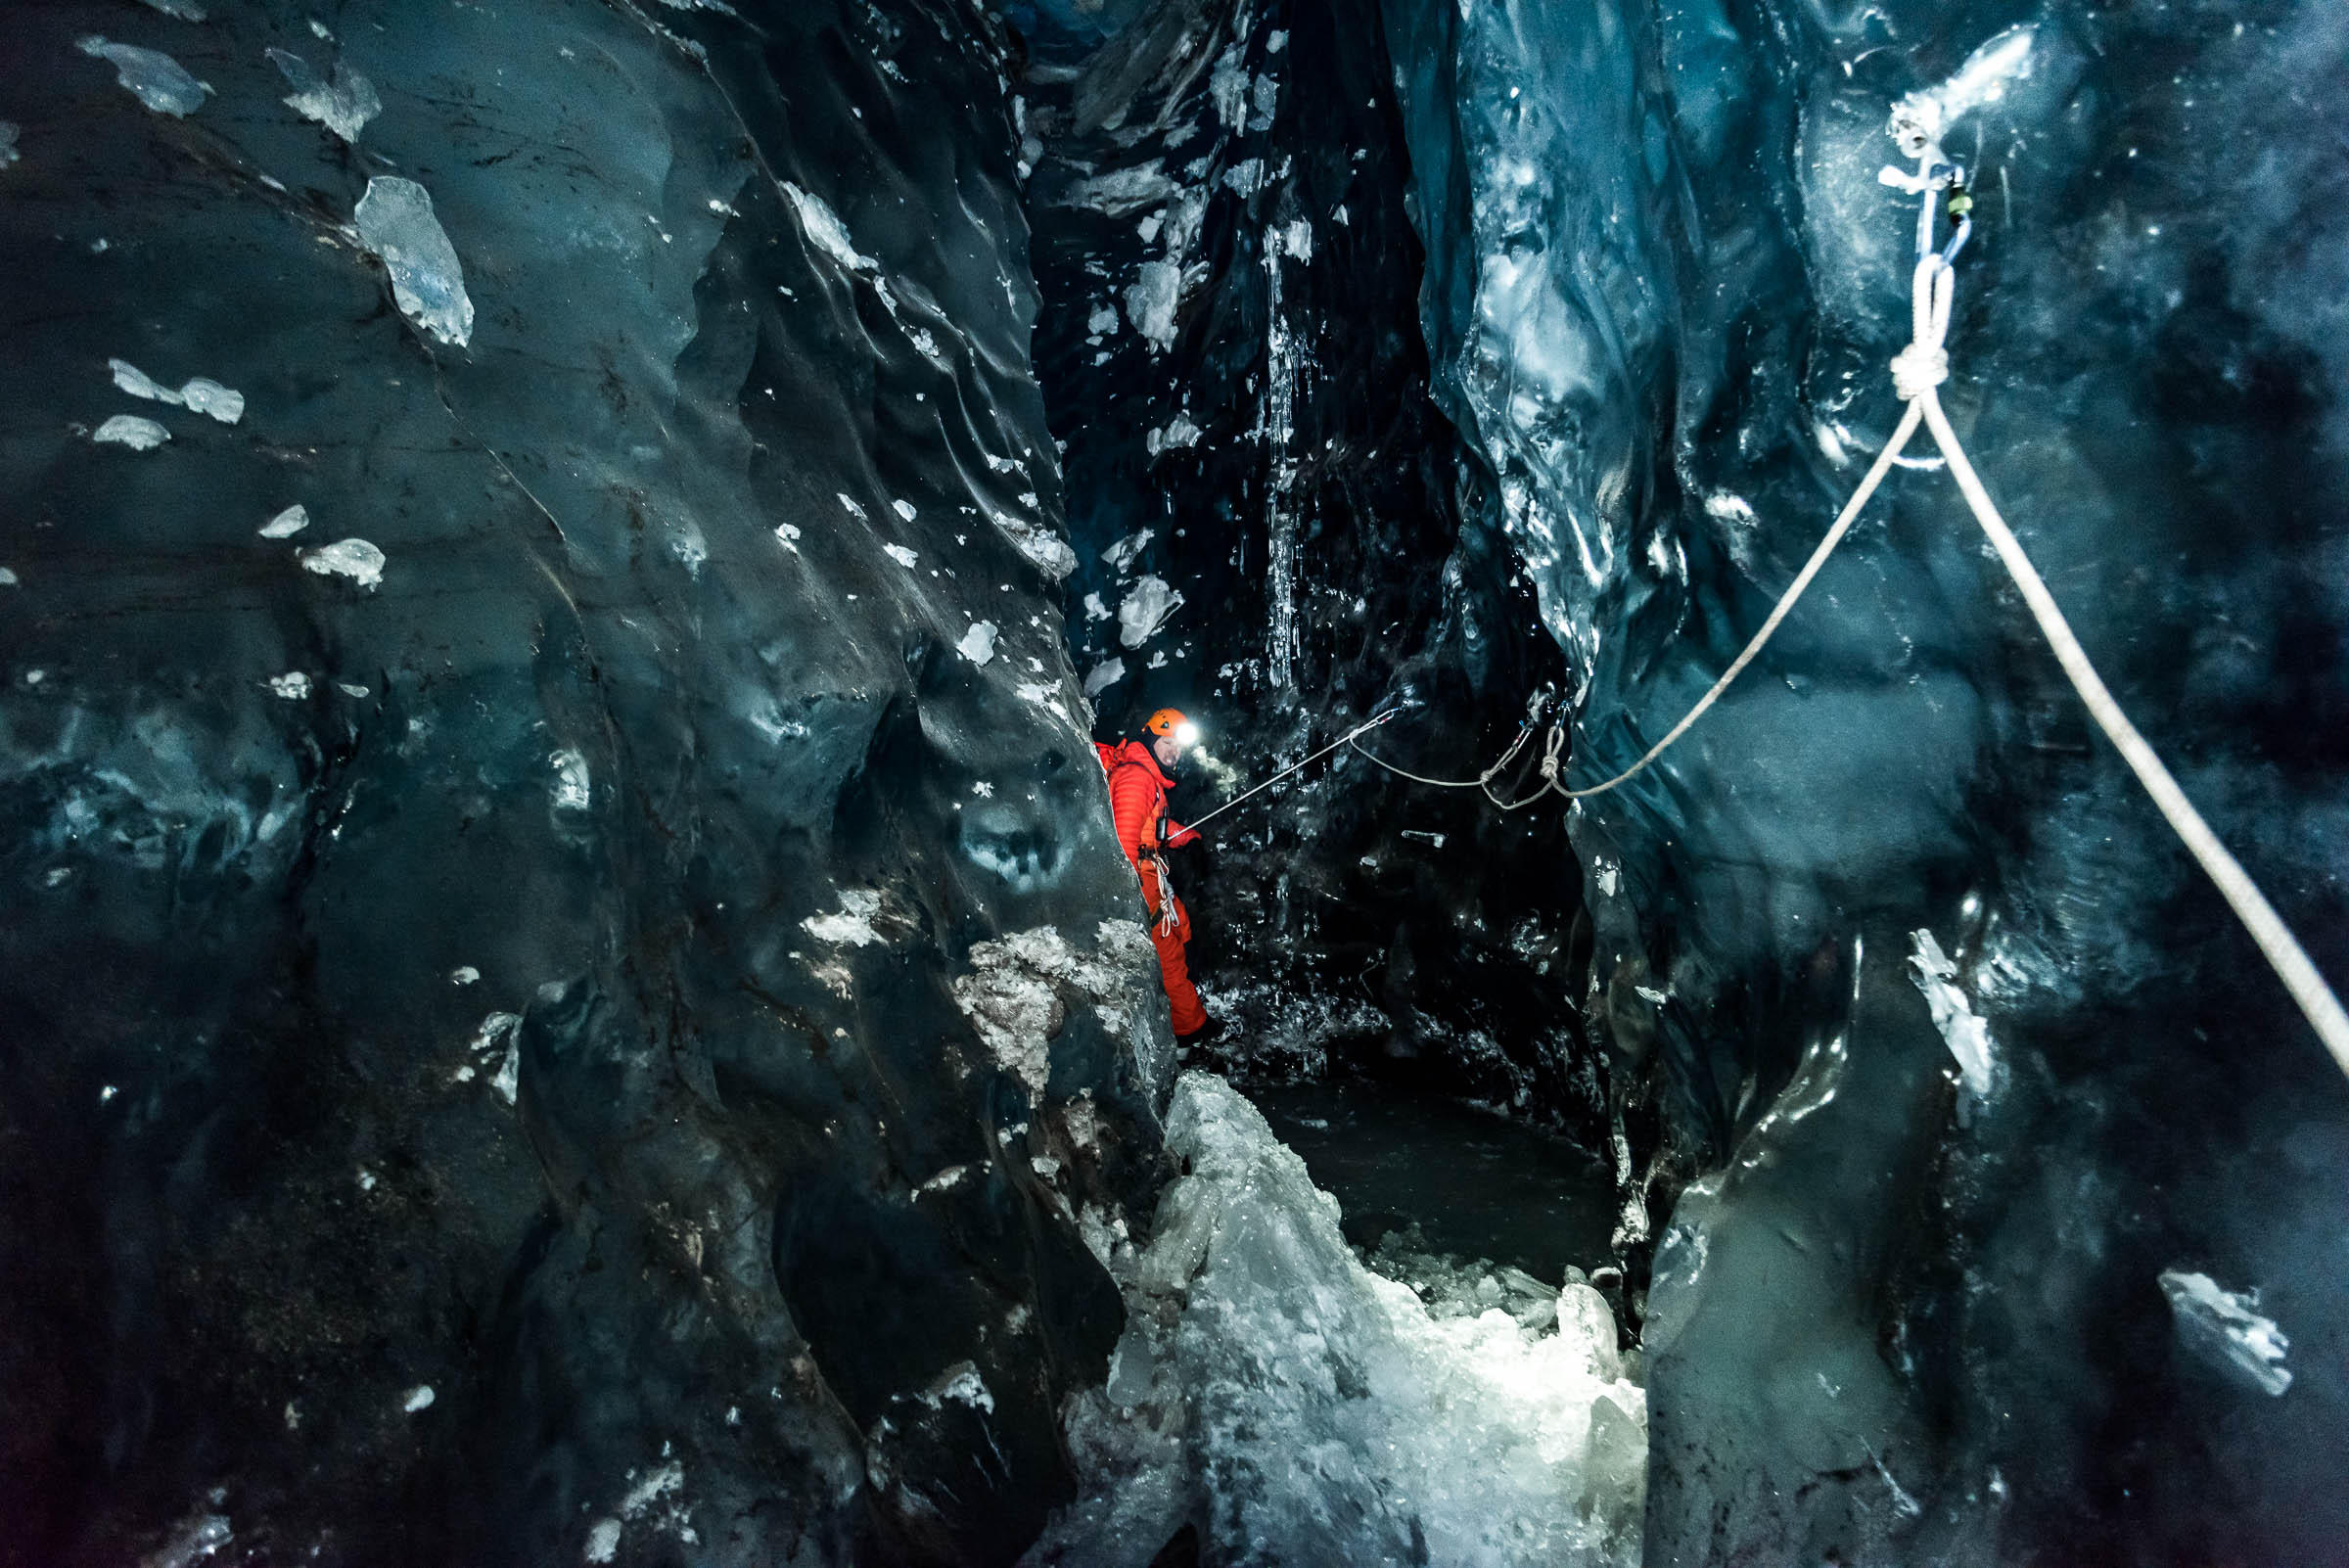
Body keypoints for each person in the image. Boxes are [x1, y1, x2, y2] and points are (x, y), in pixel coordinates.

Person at [1095, 708, 1212, 1038]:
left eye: (1178, 747)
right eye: (1167, 742)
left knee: (1182, 926)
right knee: (1168, 953)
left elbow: (1155, 827)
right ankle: (1190, 1032)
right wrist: (1128, 900)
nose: (1174, 752)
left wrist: (1189, 839)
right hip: (1139, 882)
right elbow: (1124, 840)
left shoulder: (1148, 778)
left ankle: (1186, 1005)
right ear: (1150, 738)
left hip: (1151, 876)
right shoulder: (1137, 778)